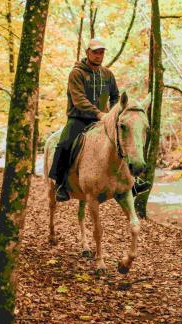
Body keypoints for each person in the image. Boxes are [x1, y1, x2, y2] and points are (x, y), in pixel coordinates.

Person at [49, 38, 120, 201]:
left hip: (103, 120)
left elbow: (115, 96)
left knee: (124, 139)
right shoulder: (77, 73)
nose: (98, 55)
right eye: (95, 52)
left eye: (101, 52)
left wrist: (114, 113)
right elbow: (79, 100)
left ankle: (132, 182)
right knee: (64, 144)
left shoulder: (108, 74)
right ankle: (60, 184)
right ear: (87, 52)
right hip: (79, 118)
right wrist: (100, 114)